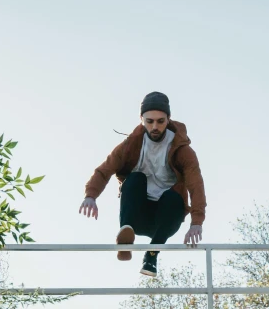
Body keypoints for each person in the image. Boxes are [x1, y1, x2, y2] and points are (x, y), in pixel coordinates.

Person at [79, 92, 206, 276]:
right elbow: (105, 169)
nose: (155, 127)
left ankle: (151, 256)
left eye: (160, 121)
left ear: (168, 119)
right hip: (138, 214)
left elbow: (196, 185)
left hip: (165, 219)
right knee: (135, 179)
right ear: (141, 119)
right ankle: (125, 236)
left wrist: (197, 222)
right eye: (150, 121)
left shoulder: (183, 150)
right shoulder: (131, 145)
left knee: (174, 198)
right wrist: (91, 195)